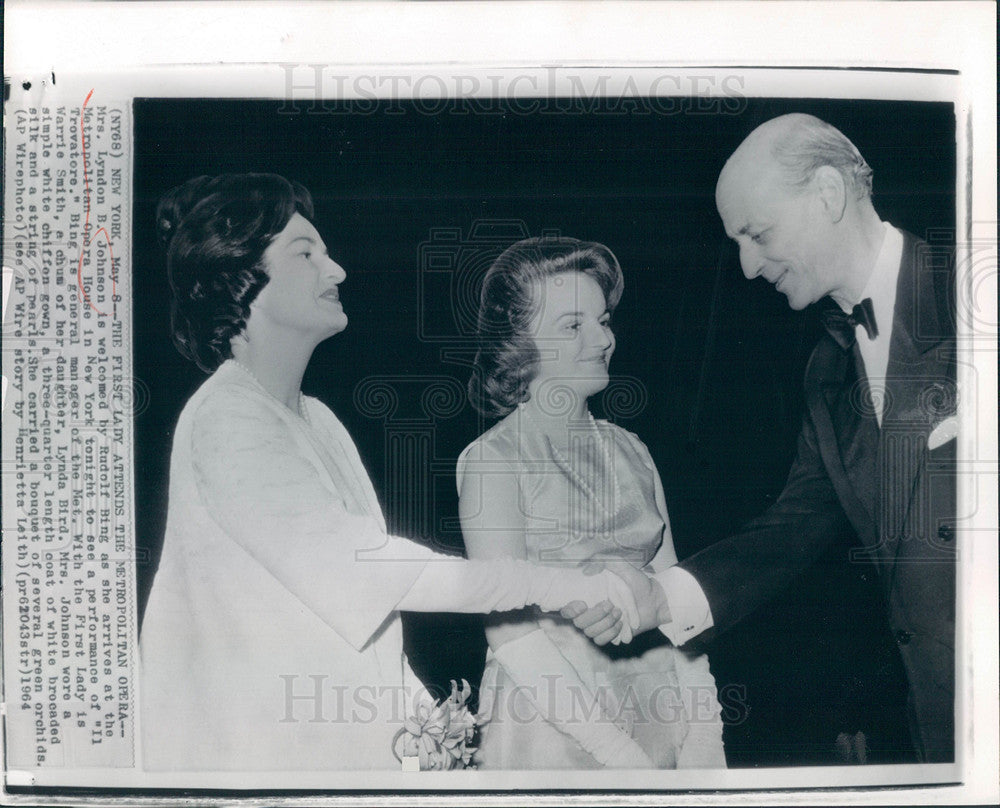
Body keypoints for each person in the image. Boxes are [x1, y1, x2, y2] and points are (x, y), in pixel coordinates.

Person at [138, 174, 647, 772]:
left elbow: (362, 614)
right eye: (307, 254)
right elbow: (377, 571)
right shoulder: (227, 420)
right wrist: (560, 586)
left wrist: (424, 724)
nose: (337, 271)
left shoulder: (318, 420)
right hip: (242, 759)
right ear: (239, 280)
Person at [570, 114, 957, 764]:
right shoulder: (827, 368)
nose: (748, 268)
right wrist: (661, 597)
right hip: (939, 727)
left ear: (829, 194)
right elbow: (795, 527)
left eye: (758, 234)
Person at [458, 237, 726, 769]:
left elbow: (676, 601)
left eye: (603, 321)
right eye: (573, 325)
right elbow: (513, 636)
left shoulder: (634, 450)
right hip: (552, 731)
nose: (602, 338)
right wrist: (621, 758)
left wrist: (704, 736)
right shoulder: (494, 460)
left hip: (658, 712)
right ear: (517, 341)